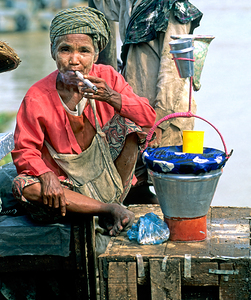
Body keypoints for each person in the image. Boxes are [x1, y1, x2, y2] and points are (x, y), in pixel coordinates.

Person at [11, 6, 156, 248]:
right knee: (23, 185)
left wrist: (112, 97)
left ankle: (114, 200)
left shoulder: (107, 78)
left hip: (110, 178)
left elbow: (149, 118)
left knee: (132, 122)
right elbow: (24, 150)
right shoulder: (37, 96)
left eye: (84, 51)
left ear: (95, 56)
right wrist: (46, 175)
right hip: (66, 188)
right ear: (53, 53)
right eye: (65, 50)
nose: (74, 60)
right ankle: (105, 210)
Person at [92, 0, 203, 201]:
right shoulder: (129, 3)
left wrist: (158, 121)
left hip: (166, 112)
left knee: (169, 183)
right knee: (135, 182)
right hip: (136, 108)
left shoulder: (171, 7)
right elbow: (105, 7)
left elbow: (173, 71)